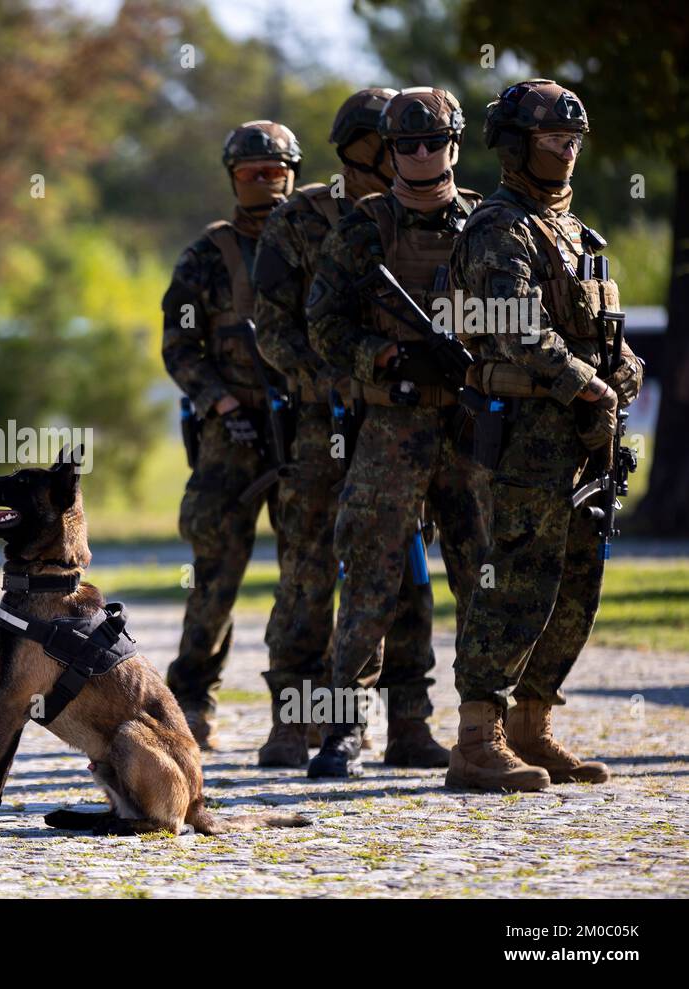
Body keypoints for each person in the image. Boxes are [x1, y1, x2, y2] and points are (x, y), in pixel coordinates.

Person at [446, 80, 643, 791]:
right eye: (552, 138)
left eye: (573, 140)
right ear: (514, 144)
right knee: (517, 581)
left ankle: (532, 724)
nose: (566, 150)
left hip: (587, 438)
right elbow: (513, 326)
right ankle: (477, 738)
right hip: (526, 435)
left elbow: (609, 338)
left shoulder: (580, 233)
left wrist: (620, 376)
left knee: (577, 584)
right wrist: (584, 383)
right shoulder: (500, 228)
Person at [253, 88, 448, 769]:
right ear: (356, 149)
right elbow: (274, 328)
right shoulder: (301, 218)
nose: (401, 155)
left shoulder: (427, 212)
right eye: (386, 145)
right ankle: (296, 721)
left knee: (403, 576)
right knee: (307, 571)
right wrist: (333, 377)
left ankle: (408, 721)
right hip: (321, 423)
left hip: (404, 420)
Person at [306, 87, 491, 778]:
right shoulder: (365, 226)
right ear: (387, 151)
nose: (420, 154)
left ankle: (484, 729)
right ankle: (343, 731)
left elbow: (524, 312)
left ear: (455, 143)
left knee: (484, 573)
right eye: (405, 145)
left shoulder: (485, 221)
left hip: (471, 420)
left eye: (433, 141)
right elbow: (324, 325)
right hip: (392, 425)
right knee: (370, 580)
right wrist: (385, 355)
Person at [162, 121, 302, 749]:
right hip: (233, 430)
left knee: (307, 574)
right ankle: (190, 701)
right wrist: (217, 400)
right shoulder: (205, 256)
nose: (266, 185)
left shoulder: (315, 245)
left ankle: (298, 712)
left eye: (276, 173)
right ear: (233, 180)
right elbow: (179, 346)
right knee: (215, 572)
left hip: (304, 430)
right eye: (252, 174)